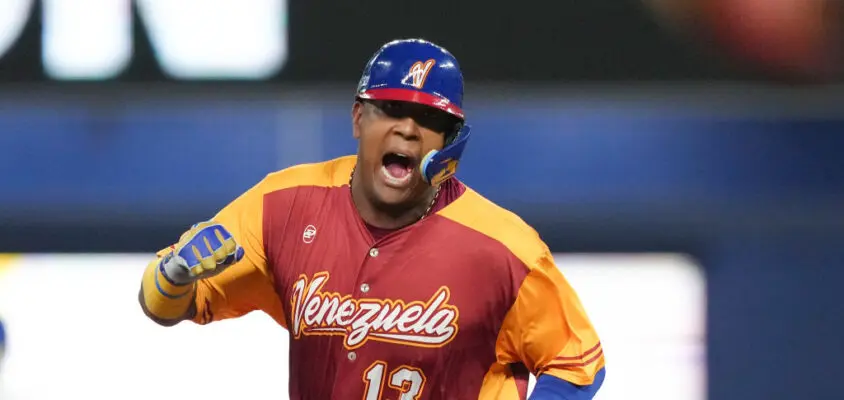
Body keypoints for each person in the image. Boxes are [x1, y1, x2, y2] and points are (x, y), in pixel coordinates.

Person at [138, 38, 606, 399]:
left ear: (450, 144)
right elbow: (161, 305)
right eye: (392, 109)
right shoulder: (284, 205)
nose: (407, 128)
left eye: (428, 119)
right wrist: (175, 276)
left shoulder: (503, 247)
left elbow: (577, 363)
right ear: (359, 118)